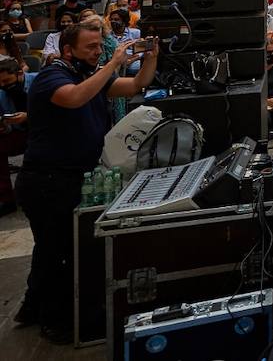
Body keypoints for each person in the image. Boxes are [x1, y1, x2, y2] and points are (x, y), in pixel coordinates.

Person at [16, 25, 159, 342]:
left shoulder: (89, 76)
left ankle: (31, 306)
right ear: (68, 51)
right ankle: (56, 323)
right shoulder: (52, 77)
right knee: (60, 253)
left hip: (70, 176)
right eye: (91, 47)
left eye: (99, 46)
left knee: (50, 248)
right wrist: (112, 63)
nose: (98, 52)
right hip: (47, 180)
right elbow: (76, 99)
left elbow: (137, 83)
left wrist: (150, 58)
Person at [0, 55, 27, 216]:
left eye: (7, 81)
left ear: (19, 74)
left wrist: (29, 116)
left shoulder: (38, 82)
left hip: (45, 132)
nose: (3, 86)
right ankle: (6, 199)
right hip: (17, 133)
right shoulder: (1, 94)